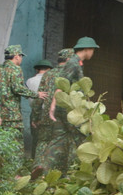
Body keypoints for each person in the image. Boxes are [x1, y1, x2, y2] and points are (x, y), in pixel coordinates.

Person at [40, 37, 99, 174]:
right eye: (93, 50)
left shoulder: (75, 62)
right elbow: (61, 84)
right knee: (83, 138)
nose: (93, 53)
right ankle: (85, 172)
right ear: (87, 49)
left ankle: (44, 168)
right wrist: (53, 106)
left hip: (63, 108)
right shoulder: (73, 63)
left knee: (58, 140)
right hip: (69, 109)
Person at [0, 45, 47, 155]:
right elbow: (18, 88)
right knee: (15, 144)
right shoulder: (15, 69)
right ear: (17, 56)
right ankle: (15, 169)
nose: (21, 59)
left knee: (0, 142)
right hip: (11, 114)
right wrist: (36, 94)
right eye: (21, 56)